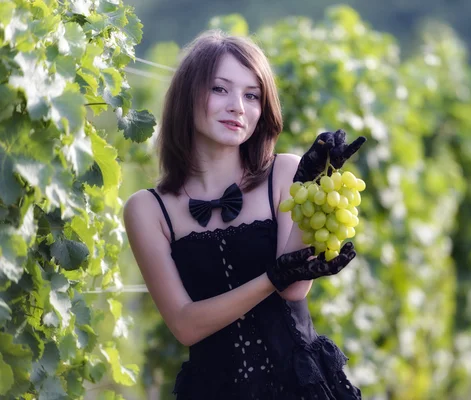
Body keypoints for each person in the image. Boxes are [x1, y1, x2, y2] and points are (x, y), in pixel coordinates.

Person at [123, 29, 366, 399]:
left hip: (300, 387)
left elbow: (296, 287)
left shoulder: (285, 173)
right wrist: (271, 278)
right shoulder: (147, 208)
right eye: (220, 89)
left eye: (252, 95)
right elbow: (185, 325)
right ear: (187, 97)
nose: (238, 105)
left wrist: (309, 185)